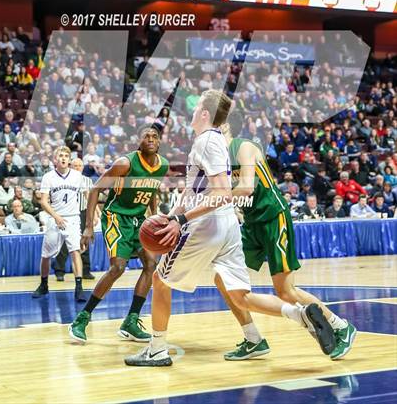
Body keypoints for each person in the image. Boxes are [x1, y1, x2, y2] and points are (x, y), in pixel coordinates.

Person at [124, 91, 336, 368]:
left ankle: (157, 349)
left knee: (161, 281)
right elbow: (193, 190)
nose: (192, 109)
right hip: (227, 226)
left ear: (204, 114)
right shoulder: (214, 142)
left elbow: (222, 193)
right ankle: (299, 315)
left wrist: (183, 219)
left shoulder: (205, 142)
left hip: (206, 224)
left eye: (197, 105)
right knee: (240, 295)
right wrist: (171, 215)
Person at [216, 110, 353, 361]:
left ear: (224, 126)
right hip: (251, 223)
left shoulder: (243, 146)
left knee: (286, 291)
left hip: (273, 217)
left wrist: (212, 198)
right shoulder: (219, 159)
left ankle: (340, 325)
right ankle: (253, 339)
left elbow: (246, 185)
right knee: (222, 277)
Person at [68, 125, 170, 343]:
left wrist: (153, 216)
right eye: (146, 136)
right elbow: (95, 189)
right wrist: (88, 226)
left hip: (139, 219)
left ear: (159, 142)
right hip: (116, 217)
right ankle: (82, 319)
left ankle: (131, 321)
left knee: (151, 266)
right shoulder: (125, 163)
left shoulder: (163, 166)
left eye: (155, 136)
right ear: (139, 141)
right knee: (117, 268)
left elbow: (151, 192)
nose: (151, 139)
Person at [32, 146, 87, 302]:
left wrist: (93, 215)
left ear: (69, 159)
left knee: (75, 251)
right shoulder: (48, 177)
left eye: (66, 156)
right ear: (55, 159)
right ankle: (43, 284)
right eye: (60, 156)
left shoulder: (77, 176)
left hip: (73, 218)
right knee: (45, 255)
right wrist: (56, 216)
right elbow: (43, 201)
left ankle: (79, 288)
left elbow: (88, 195)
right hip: (54, 218)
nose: (63, 158)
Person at [54, 157, 97, 281]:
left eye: (79, 165)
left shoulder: (88, 181)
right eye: (75, 165)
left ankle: (86, 270)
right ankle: (59, 271)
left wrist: (94, 214)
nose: (77, 167)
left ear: (83, 167)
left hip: (83, 212)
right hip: (67, 213)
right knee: (63, 241)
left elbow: (92, 199)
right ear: (70, 167)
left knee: (85, 239)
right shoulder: (64, 180)